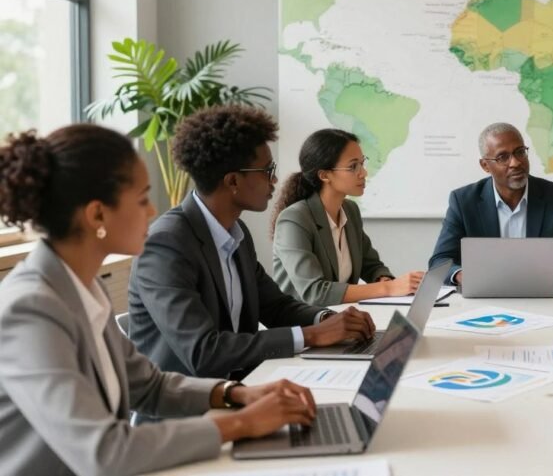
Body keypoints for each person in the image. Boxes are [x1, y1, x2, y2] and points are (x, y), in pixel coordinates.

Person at [0, 125, 321, 476]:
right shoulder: (30, 309)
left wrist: (235, 394)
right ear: (97, 215)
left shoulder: (86, 288)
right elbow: (104, 452)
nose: (153, 211)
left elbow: (150, 385)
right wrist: (242, 424)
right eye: (141, 199)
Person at [129, 106, 375, 380]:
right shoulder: (166, 244)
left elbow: (275, 306)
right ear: (233, 180)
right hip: (186, 407)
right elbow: (202, 351)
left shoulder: (235, 233)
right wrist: (311, 335)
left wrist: (327, 320)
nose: (274, 180)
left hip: (241, 386)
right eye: (267, 170)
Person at [428, 122, 553, 287]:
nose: (515, 163)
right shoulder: (464, 201)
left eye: (520, 152)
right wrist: (463, 276)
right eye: (503, 157)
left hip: (543, 298)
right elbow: (440, 261)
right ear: (485, 165)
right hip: (485, 298)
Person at [272, 129, 424, 306]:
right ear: (324, 175)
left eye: (362, 163)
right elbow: (315, 292)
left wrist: (383, 279)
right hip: (303, 325)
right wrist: (389, 288)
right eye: (353, 167)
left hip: (340, 317)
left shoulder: (350, 210)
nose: (363, 173)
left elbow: (371, 265)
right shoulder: (294, 219)